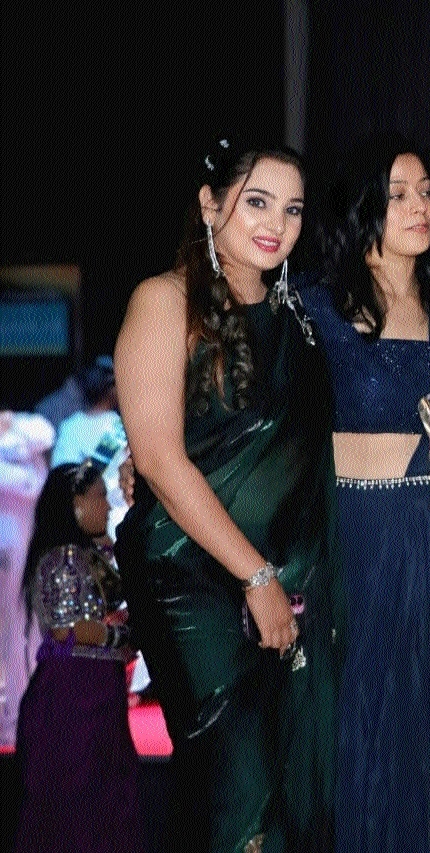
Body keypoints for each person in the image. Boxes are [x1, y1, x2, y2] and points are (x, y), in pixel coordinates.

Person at [113, 138, 341, 852]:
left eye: (294, 208)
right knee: (238, 788)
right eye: (258, 202)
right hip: (197, 585)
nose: (277, 222)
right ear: (212, 205)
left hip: (289, 583)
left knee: (290, 793)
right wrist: (256, 574)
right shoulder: (164, 299)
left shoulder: (298, 317)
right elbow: (156, 457)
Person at [301, 133, 430, 852]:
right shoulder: (315, 312)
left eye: (426, 191)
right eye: (398, 193)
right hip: (357, 539)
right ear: (365, 207)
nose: (419, 206)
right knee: (363, 735)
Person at [14, 461, 144, 853]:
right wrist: (123, 635)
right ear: (76, 506)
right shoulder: (65, 559)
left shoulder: (83, 554)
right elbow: (68, 629)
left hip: (92, 697)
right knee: (80, 810)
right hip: (75, 701)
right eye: (101, 496)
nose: (107, 505)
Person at [0, 410, 54, 745]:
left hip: (25, 550)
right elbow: (27, 484)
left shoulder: (23, 427)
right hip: (9, 549)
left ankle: (24, 711)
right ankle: (13, 715)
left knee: (29, 626)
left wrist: (12, 435)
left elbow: (45, 433)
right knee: (10, 630)